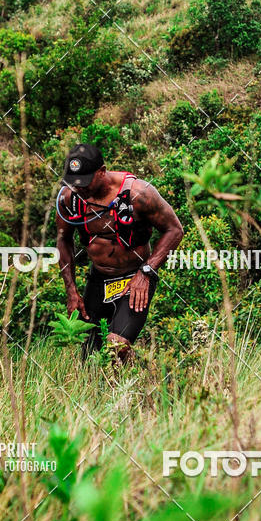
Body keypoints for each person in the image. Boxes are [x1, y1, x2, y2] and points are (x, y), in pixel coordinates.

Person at [56, 143, 184, 362]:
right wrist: (71, 290)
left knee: (117, 345)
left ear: (102, 171)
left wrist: (146, 272)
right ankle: (125, 376)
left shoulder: (139, 194)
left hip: (135, 278)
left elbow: (175, 230)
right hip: (98, 278)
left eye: (85, 182)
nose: (79, 189)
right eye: (74, 183)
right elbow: (63, 239)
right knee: (89, 357)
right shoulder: (70, 199)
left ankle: (134, 375)